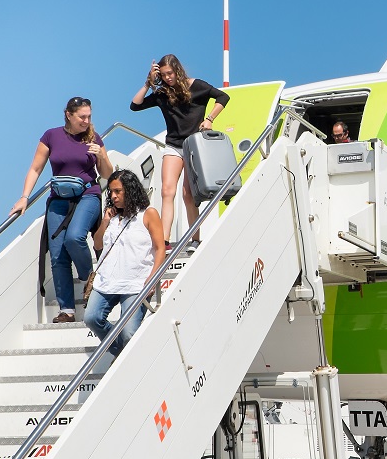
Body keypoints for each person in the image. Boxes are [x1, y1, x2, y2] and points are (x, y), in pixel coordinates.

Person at [13, 97, 113, 323]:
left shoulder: (93, 138)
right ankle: (67, 310)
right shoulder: (51, 135)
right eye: (82, 117)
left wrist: (102, 156)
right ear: (68, 114)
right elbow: (36, 168)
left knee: (74, 237)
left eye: (89, 117)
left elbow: (107, 174)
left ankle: (91, 280)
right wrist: (24, 197)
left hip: (88, 194)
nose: (87, 121)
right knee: (58, 256)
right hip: (58, 199)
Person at [130, 54, 230, 253]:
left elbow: (223, 97)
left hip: (194, 145)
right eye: (164, 75)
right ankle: (165, 240)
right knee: (167, 191)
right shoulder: (162, 94)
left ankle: (195, 238)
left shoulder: (196, 86)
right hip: (173, 145)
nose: (167, 78)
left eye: (170, 73)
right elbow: (135, 105)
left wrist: (209, 118)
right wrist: (148, 83)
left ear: (178, 70)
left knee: (188, 194)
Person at [84, 169, 165, 357]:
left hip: (136, 284)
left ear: (130, 190)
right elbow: (97, 243)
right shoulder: (112, 217)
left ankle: (125, 355)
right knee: (91, 318)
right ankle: (122, 354)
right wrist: (105, 221)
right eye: (111, 192)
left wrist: (152, 278)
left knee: (129, 333)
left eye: (118, 191)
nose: (113, 196)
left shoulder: (148, 214)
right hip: (106, 281)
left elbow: (160, 248)